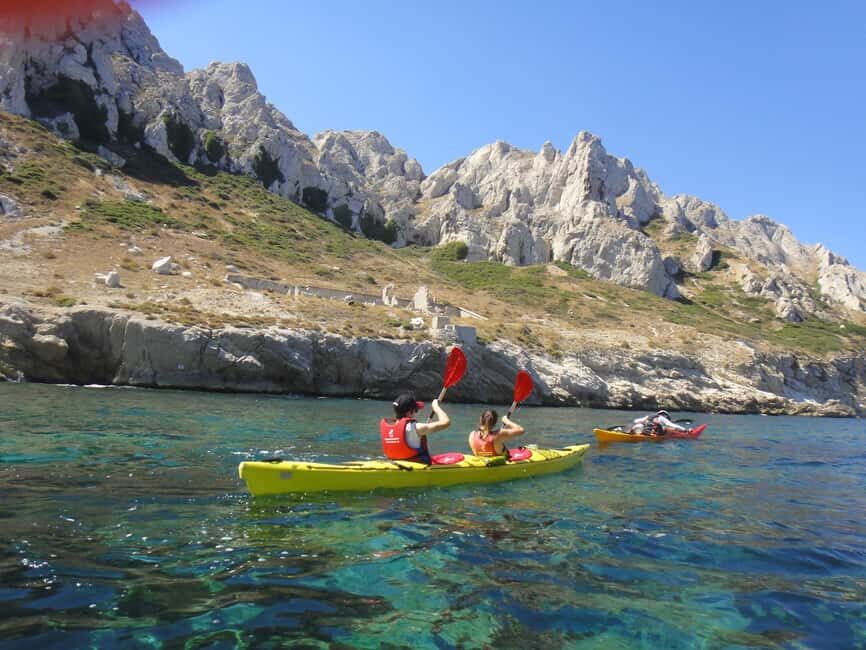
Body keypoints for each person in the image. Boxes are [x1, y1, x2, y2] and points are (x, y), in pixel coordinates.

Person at [380, 392, 450, 464]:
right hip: (415, 466)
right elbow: (446, 422)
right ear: (410, 412)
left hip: (395, 463)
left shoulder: (389, 427)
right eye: (416, 410)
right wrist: (436, 407)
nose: (416, 413)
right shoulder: (416, 427)